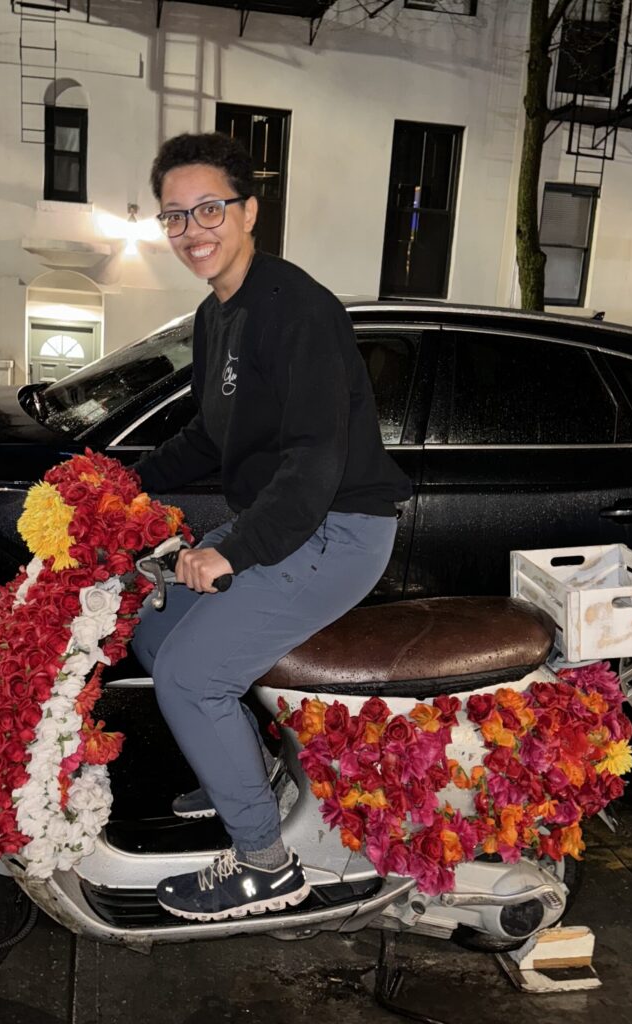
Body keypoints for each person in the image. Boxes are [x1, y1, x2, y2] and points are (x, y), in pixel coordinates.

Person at [131, 132, 411, 922]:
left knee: (191, 676)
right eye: (174, 216)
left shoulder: (299, 310)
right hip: (284, 521)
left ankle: (263, 864)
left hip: (337, 531)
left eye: (209, 209)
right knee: (154, 631)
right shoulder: (217, 314)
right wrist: (114, 482)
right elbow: (205, 435)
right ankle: (247, 766)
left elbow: (315, 463)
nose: (193, 230)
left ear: (249, 211)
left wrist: (231, 552)